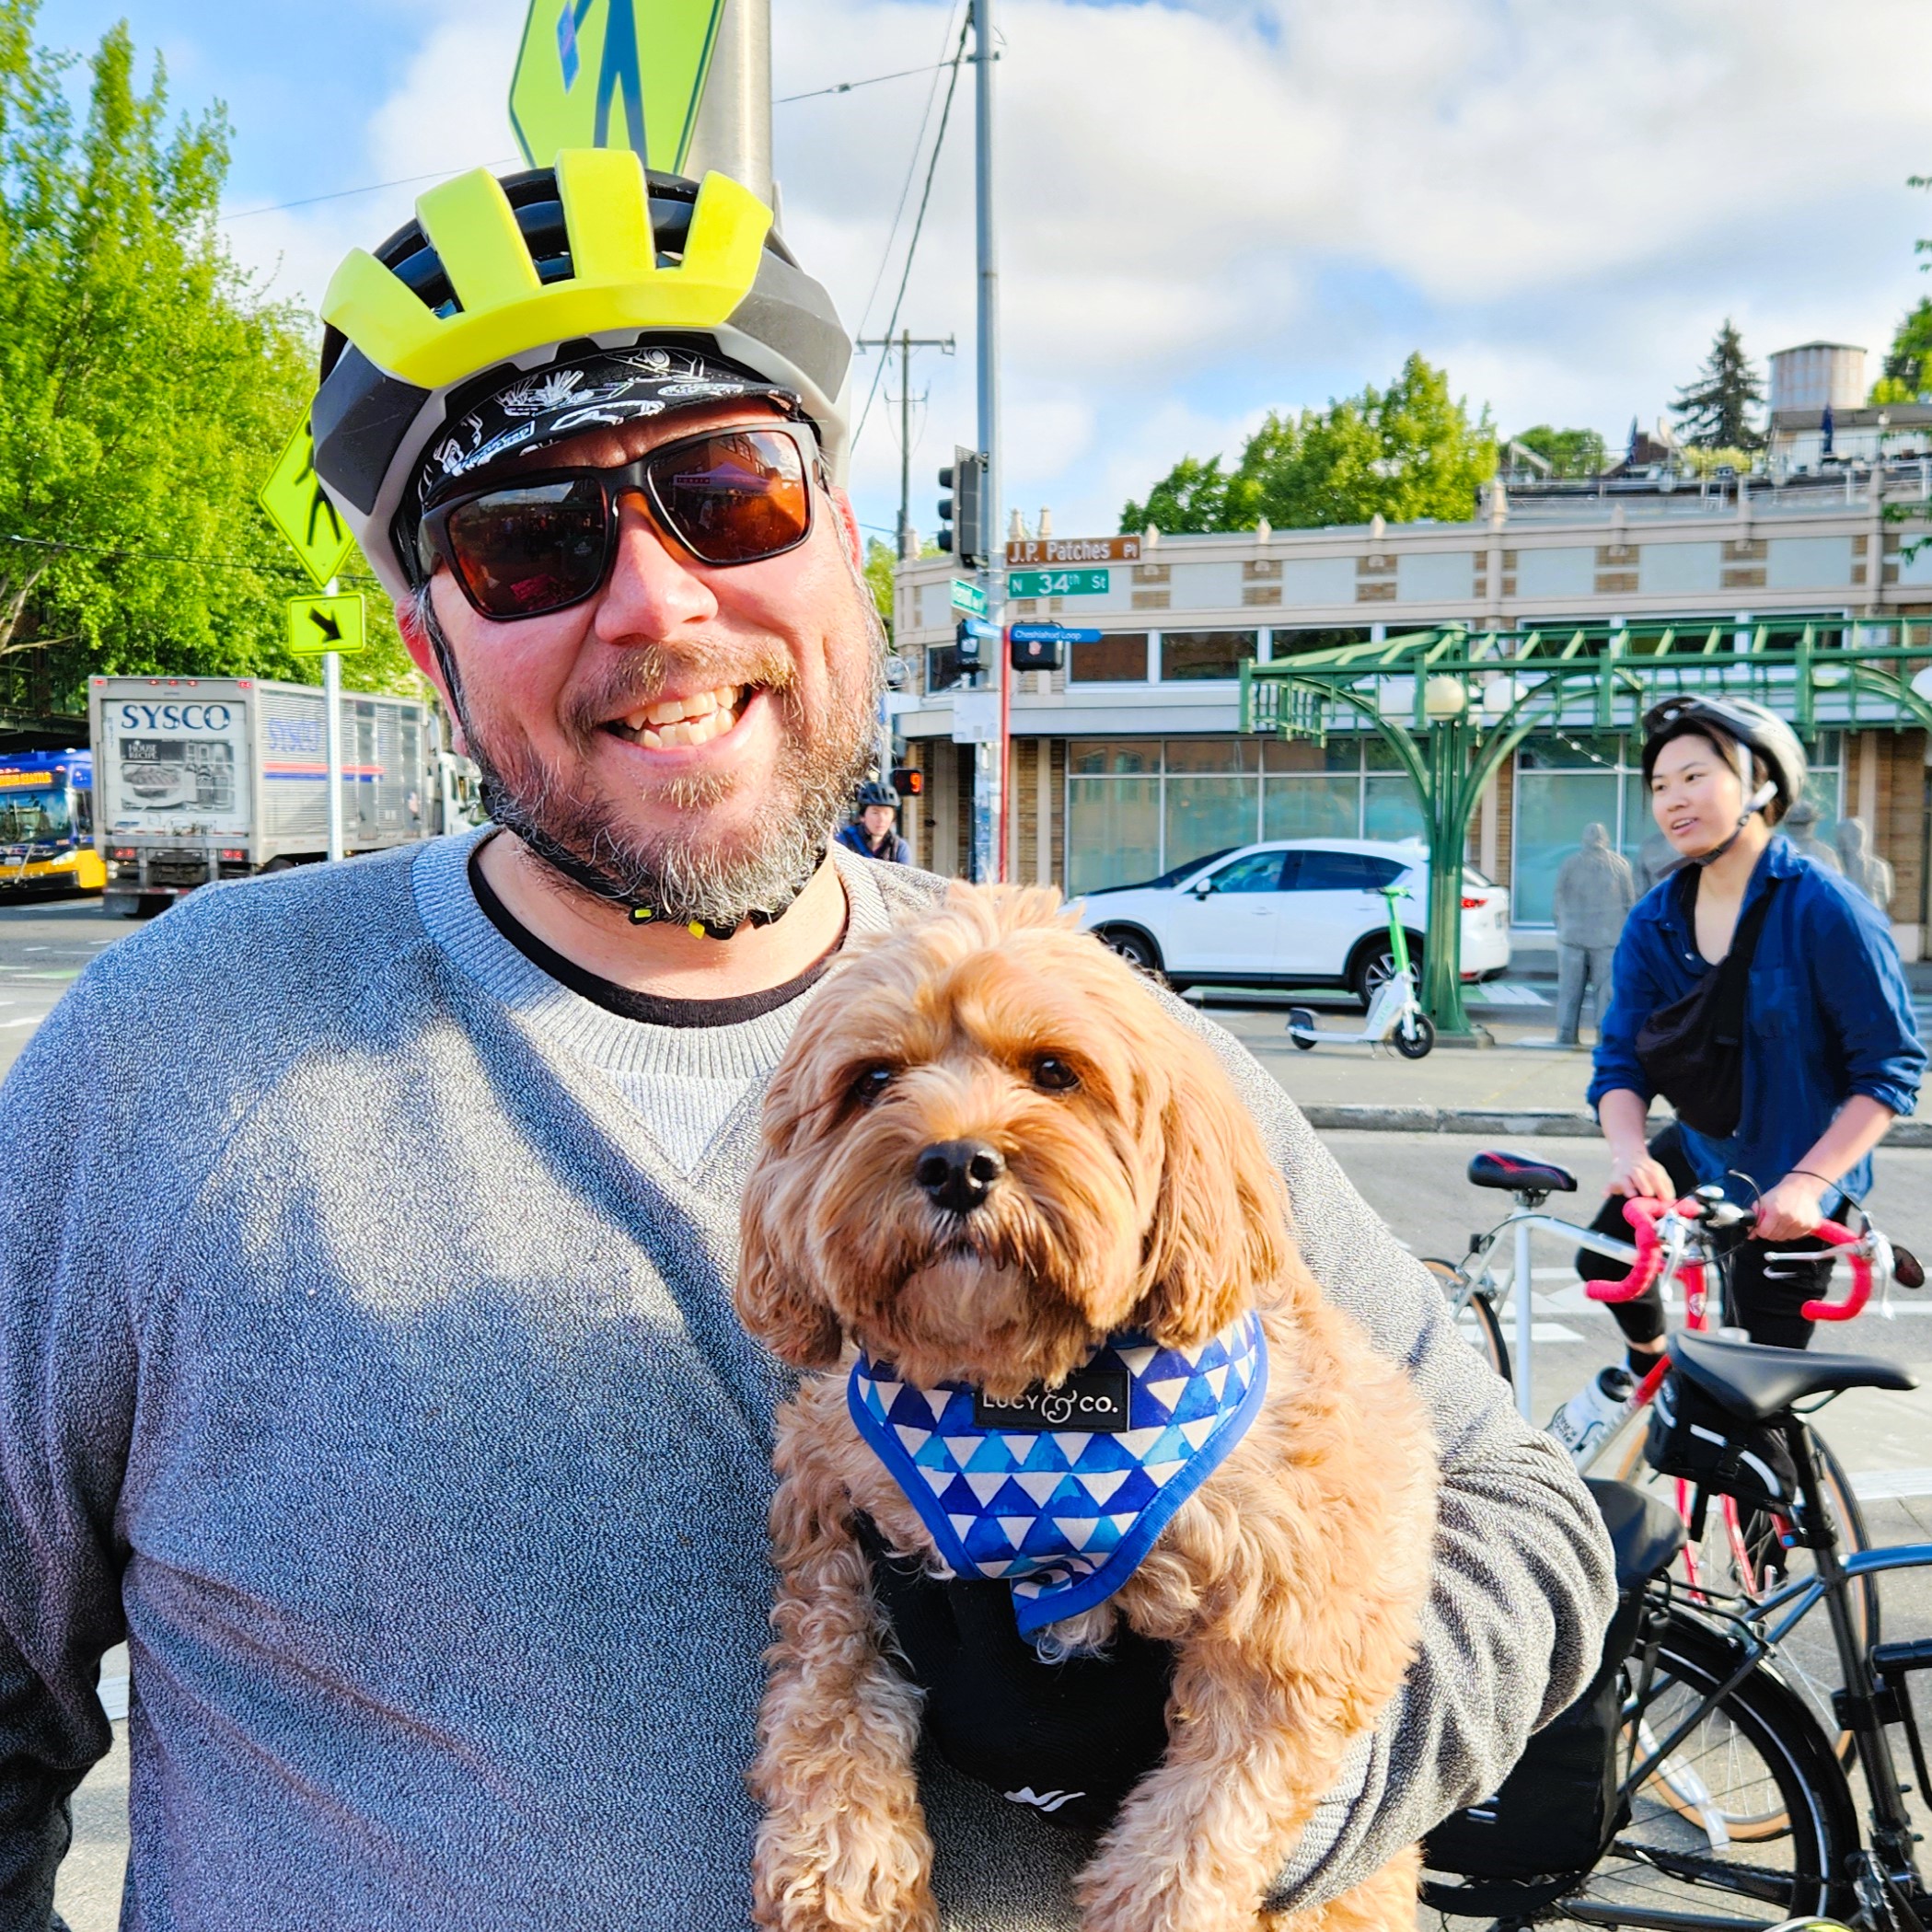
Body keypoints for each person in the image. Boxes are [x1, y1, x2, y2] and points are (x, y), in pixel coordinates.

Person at [0, 153, 1612, 1930]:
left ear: (843, 540)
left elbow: (1516, 1514)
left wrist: (1236, 1811)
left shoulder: (1116, 1038)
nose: (655, 605)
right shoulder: (178, 1051)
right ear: (425, 642)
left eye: (726, 491)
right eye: (526, 537)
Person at [1552, 695, 1924, 1456]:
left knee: (1753, 1428)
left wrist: (1807, 1183)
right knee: (1602, 1255)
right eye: (1658, 784)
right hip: (1702, 1146)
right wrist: (1631, 1154)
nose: (1672, 798)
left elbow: (1887, 1069)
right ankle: (1647, 1362)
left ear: (1760, 783)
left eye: (1694, 775)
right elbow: (1618, 1059)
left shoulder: (1826, 911)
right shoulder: (1653, 919)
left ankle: (1774, 1560)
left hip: (1798, 1168)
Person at [1551, 822, 1635, 1047]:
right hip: (1608, 939)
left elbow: (1558, 899)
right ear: (1606, 839)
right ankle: (1603, 1036)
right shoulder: (1620, 865)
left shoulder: (1569, 864)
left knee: (1569, 990)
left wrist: (1562, 926)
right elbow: (1629, 903)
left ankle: (1566, 1034)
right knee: (1605, 992)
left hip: (1572, 938)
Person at [834, 777, 911, 862]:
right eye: (875, 813)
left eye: (886, 813)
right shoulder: (843, 840)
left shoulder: (898, 848)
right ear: (862, 816)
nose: (881, 819)